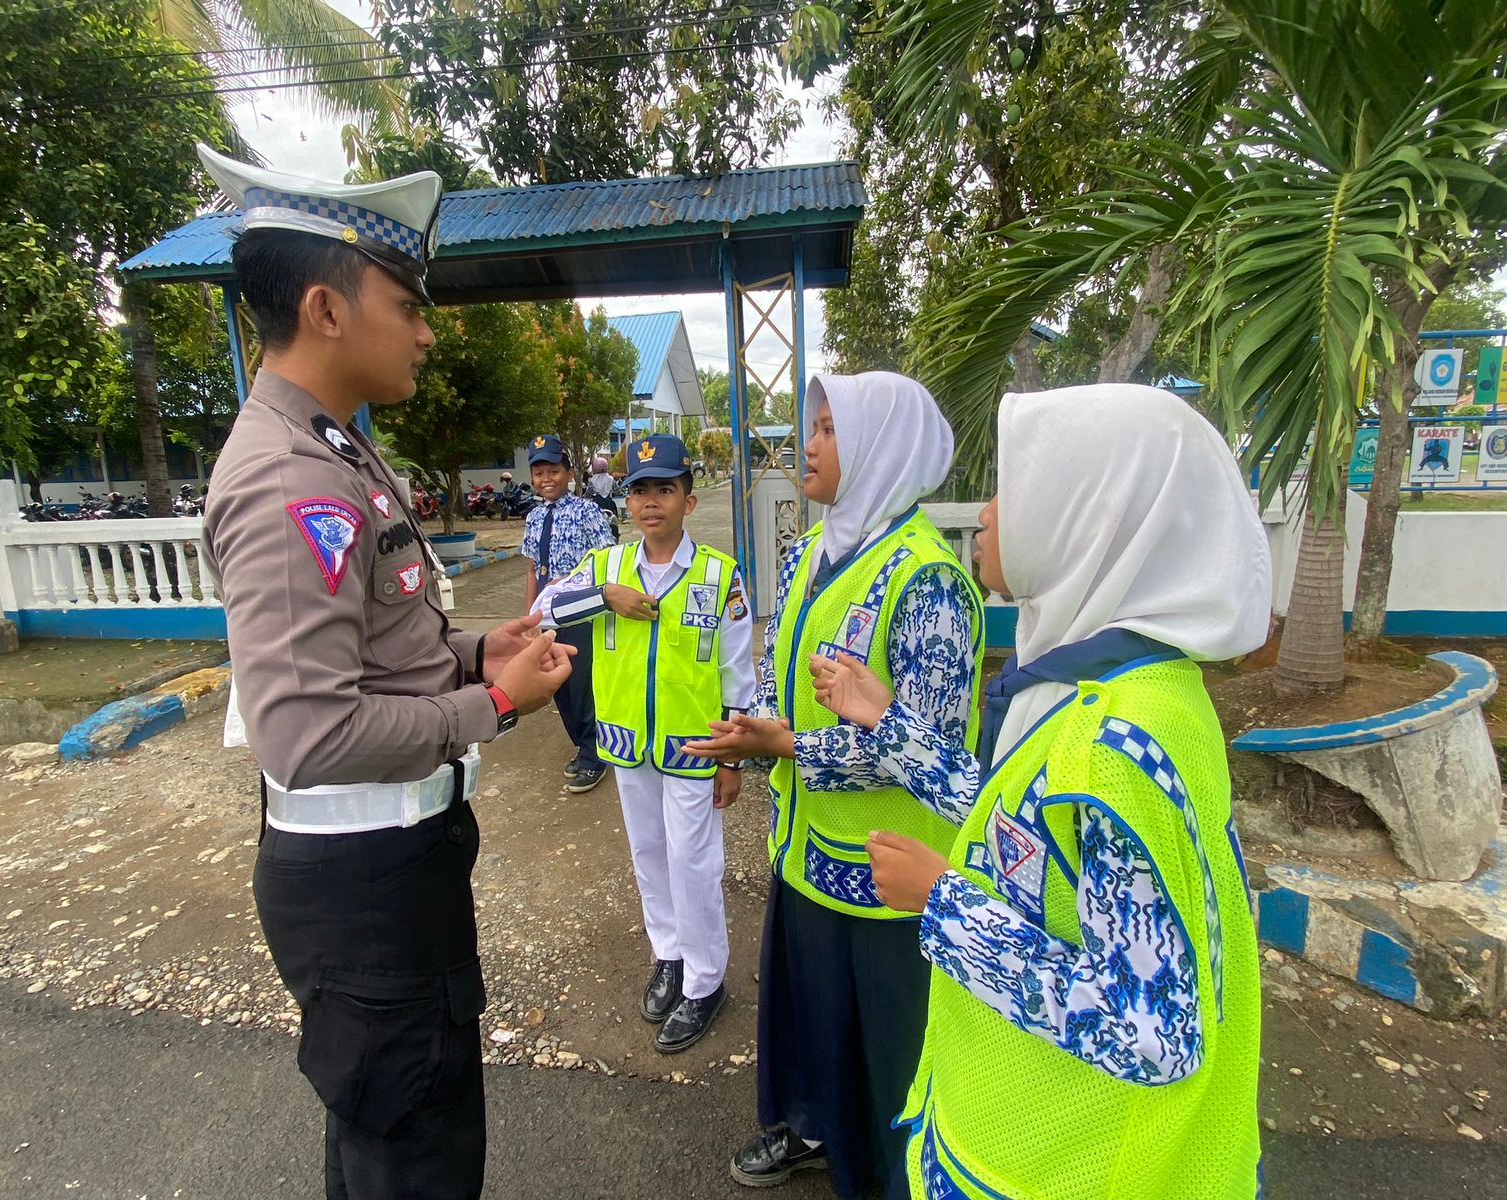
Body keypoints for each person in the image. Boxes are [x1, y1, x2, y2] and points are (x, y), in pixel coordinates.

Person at [196, 143, 574, 1200]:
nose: (424, 328)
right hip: (364, 888)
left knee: (389, 1139)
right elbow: (306, 737)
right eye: (405, 304)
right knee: (413, 1152)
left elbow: (379, 642)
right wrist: (494, 702)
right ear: (324, 308)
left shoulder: (336, 450)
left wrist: (471, 650)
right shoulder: (288, 481)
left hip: (396, 863)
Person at [816, 384, 1270, 1199]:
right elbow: (1012, 824)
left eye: (1013, 489)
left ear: (1085, 516)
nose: (986, 514)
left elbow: (1152, 1031)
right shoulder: (1107, 681)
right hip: (1011, 1137)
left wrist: (944, 901)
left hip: (1060, 1166)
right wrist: (886, 718)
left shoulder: (1117, 745)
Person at [685, 374, 986, 1200]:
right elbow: (786, 678)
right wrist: (755, 736)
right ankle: (813, 1132)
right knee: (816, 1025)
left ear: (882, 445)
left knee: (887, 1058)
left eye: (827, 428)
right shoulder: (812, 551)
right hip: (807, 854)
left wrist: (789, 744)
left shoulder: (927, 581)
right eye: (808, 425)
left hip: (890, 877)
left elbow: (926, 745)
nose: (807, 443)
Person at [535, 433, 755, 1052]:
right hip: (628, 744)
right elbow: (546, 610)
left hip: (695, 747)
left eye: (665, 488)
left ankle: (706, 981)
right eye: (639, 490)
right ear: (626, 502)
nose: (651, 501)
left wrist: (734, 754)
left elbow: (740, 671)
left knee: (694, 863)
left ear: (688, 499)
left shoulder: (720, 576)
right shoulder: (607, 569)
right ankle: (671, 956)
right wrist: (605, 597)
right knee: (650, 856)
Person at [520, 433, 616, 792]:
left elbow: (607, 559)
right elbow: (531, 569)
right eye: (539, 473)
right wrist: (528, 619)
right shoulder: (533, 517)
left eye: (553, 471)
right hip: (545, 616)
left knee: (580, 684)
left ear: (569, 472)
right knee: (556, 684)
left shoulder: (586, 511)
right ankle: (584, 744)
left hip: (578, 614)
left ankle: (594, 755)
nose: (546, 480)